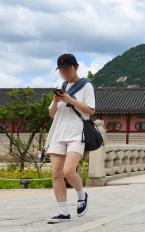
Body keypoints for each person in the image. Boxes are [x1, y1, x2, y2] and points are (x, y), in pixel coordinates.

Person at [45, 54, 95, 223]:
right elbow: (52, 114)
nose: (64, 72)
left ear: (76, 67)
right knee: (56, 173)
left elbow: (90, 110)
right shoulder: (62, 85)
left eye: (67, 69)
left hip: (76, 133)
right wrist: (55, 101)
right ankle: (63, 211)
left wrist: (71, 100)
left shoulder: (86, 85)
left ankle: (82, 195)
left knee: (68, 171)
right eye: (61, 70)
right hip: (59, 133)